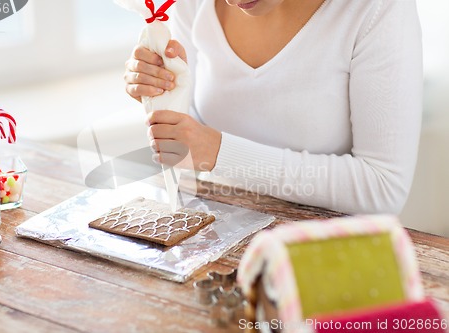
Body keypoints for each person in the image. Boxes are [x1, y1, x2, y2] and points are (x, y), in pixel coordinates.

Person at [123, 0, 423, 215]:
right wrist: (162, 93)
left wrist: (221, 153)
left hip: (329, 254)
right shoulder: (191, 5)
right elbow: (193, 144)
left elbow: (384, 188)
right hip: (218, 236)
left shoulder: (375, 9)